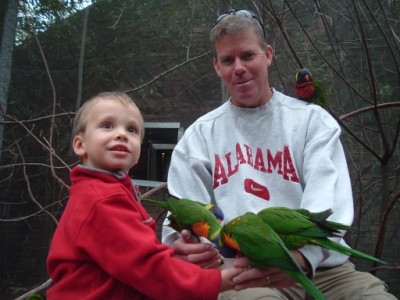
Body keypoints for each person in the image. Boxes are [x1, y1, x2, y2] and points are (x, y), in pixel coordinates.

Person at [162, 9, 397, 300]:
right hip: (246, 272)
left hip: (324, 269)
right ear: (216, 67)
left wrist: (301, 258)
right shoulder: (199, 137)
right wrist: (181, 245)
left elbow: (329, 203)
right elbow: (182, 216)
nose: (238, 67)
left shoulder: (312, 121)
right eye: (227, 60)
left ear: (268, 55)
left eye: (248, 55)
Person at [46, 91, 246, 299]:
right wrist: (217, 281)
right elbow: (146, 266)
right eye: (107, 125)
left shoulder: (110, 190)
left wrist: (173, 259)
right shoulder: (101, 199)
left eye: (131, 129)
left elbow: (134, 259)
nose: (121, 134)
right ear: (80, 145)